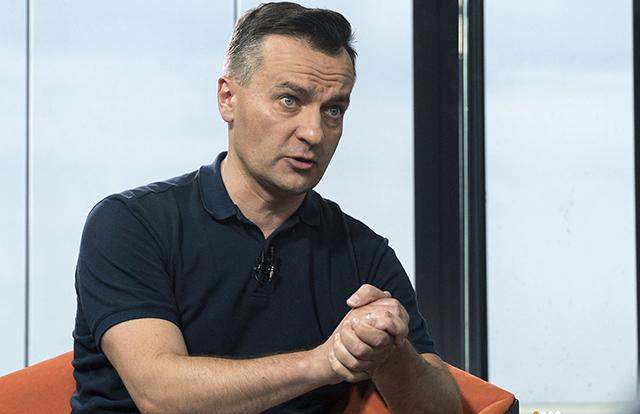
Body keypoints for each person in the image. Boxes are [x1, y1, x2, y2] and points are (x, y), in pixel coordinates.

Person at [70, 2, 463, 413]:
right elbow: (162, 395)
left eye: (333, 110)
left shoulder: (362, 251)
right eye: (289, 100)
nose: (314, 132)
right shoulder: (130, 224)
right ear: (228, 99)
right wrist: (324, 362)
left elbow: (442, 410)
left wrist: (391, 351)